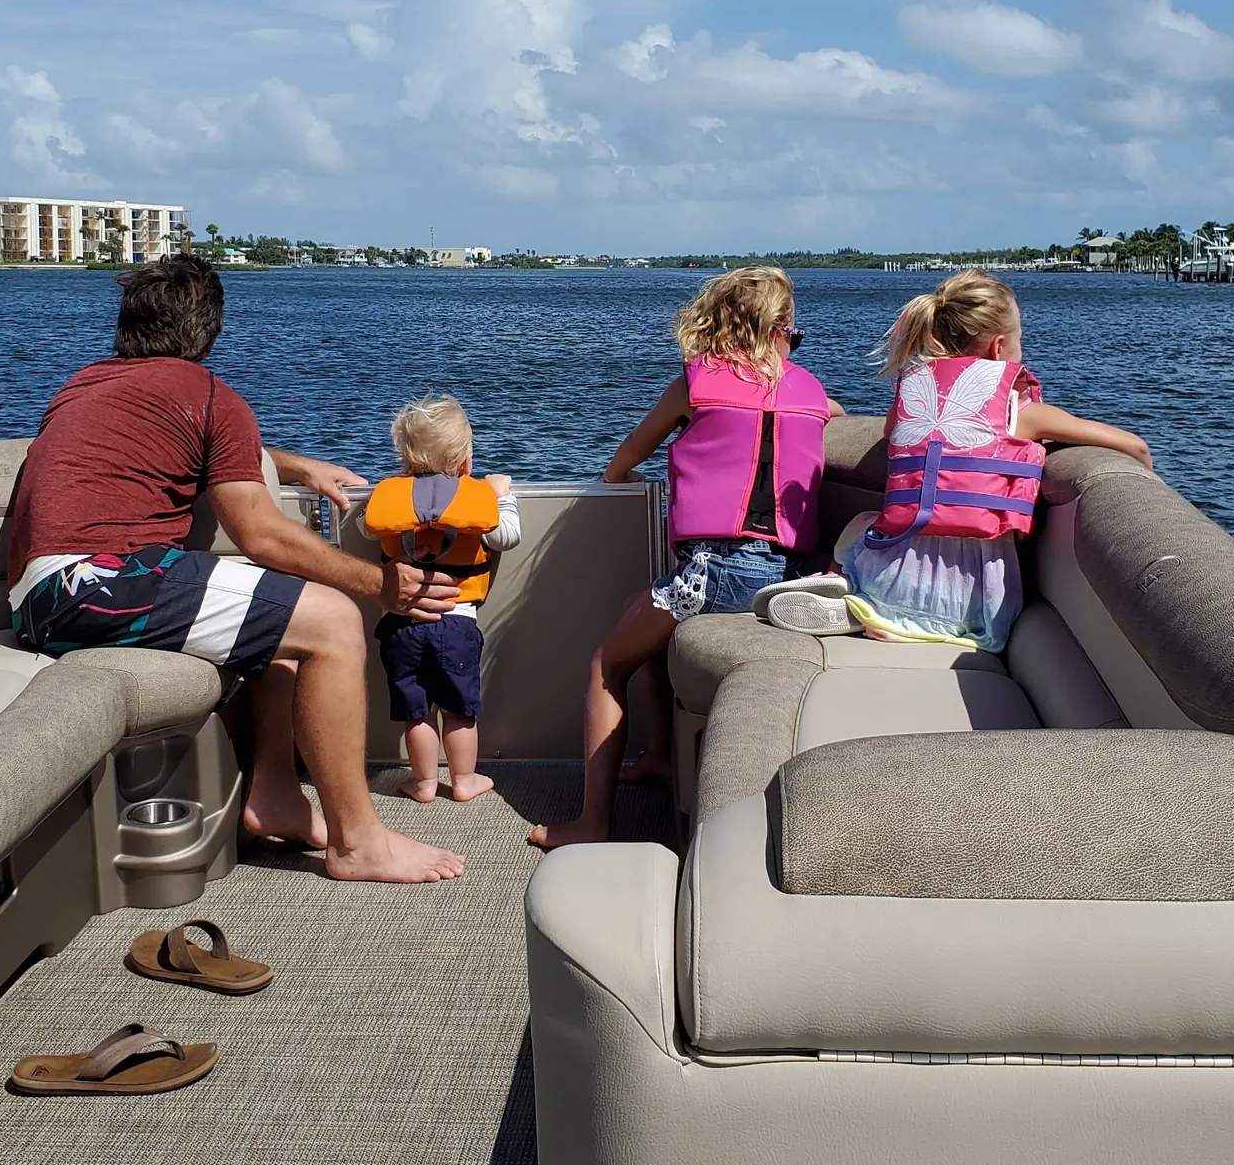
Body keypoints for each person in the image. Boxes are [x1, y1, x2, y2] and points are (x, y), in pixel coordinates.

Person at [7, 255, 465, 885]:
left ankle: (273, 791)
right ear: (210, 331)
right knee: (331, 620)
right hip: (100, 581)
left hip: (38, 594)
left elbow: (205, 446)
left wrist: (298, 467)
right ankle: (359, 844)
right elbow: (261, 535)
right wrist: (380, 586)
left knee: (282, 622)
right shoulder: (211, 396)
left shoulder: (84, 387)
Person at [528, 264, 842, 851]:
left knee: (605, 664)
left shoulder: (696, 384)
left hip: (719, 570)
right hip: (788, 573)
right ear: (779, 331)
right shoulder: (813, 392)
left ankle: (592, 821)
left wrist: (627, 476)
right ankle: (660, 757)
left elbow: (623, 462)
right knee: (637, 607)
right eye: (792, 334)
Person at [767, 270, 1150, 651]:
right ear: (999, 348)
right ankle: (899, 620)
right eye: (1020, 340)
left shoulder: (912, 397)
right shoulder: (1023, 412)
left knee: (865, 523)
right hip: (975, 598)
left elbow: (890, 434)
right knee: (962, 592)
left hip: (890, 574)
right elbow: (1135, 447)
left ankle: (855, 590)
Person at [363, 396, 522, 803]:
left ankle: (424, 783)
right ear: (465, 463)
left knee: (417, 712)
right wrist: (502, 495)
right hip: (456, 624)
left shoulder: (391, 497)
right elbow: (506, 537)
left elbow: (368, 528)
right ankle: (464, 780)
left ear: (405, 463)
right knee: (458, 710)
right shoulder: (477, 499)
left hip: (401, 626)